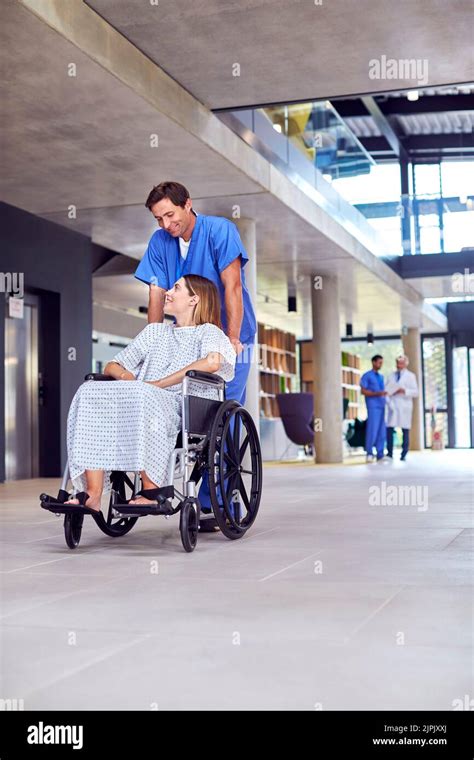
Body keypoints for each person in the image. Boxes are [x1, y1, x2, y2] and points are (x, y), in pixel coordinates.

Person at [134, 181, 257, 518]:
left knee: (222, 411)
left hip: (230, 336)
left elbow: (233, 287)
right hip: (185, 338)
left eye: (170, 215)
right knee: (181, 407)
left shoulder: (220, 230)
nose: (165, 225)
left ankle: (214, 500)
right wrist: (153, 340)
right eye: (158, 219)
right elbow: (156, 297)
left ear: (188, 204)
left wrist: (231, 338)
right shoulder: (160, 242)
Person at [64, 276, 236, 512]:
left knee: (145, 397)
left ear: (194, 299)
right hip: (141, 398)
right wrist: (129, 378)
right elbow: (113, 365)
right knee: (89, 391)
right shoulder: (154, 332)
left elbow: (212, 361)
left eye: (176, 288)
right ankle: (92, 495)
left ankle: (152, 490)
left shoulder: (208, 332)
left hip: (180, 404)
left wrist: (158, 384)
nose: (167, 292)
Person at [385, 354, 419, 461]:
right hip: (393, 404)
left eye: (401, 363)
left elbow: (416, 392)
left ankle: (404, 454)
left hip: (405, 405)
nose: (399, 365)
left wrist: (404, 391)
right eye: (398, 363)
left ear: (406, 364)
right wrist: (390, 393)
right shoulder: (391, 375)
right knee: (390, 429)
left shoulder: (411, 376)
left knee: (405, 430)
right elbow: (386, 389)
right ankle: (389, 453)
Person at [360, 354, 387, 462]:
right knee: (372, 430)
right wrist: (377, 393)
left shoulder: (381, 377)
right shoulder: (367, 376)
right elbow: (363, 391)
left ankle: (380, 454)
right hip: (373, 406)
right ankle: (369, 453)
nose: (381, 365)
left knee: (382, 431)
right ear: (374, 362)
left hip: (382, 405)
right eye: (379, 362)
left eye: (382, 363)